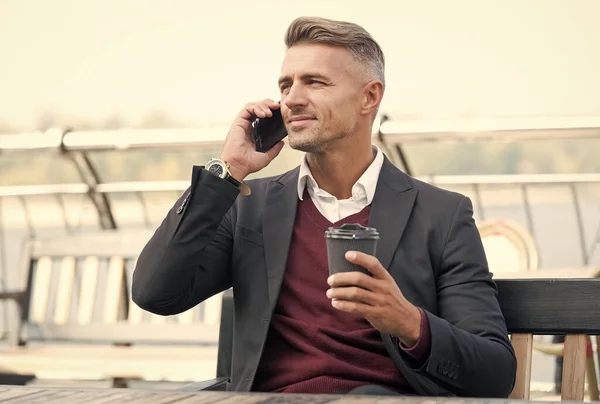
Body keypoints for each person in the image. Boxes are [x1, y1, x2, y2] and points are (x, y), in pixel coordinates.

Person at [132, 16, 516, 397]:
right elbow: (155, 293)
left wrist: (409, 322)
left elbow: (495, 373)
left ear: (370, 96)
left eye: (314, 82)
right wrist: (227, 172)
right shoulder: (250, 207)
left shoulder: (442, 215)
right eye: (286, 85)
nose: (292, 98)